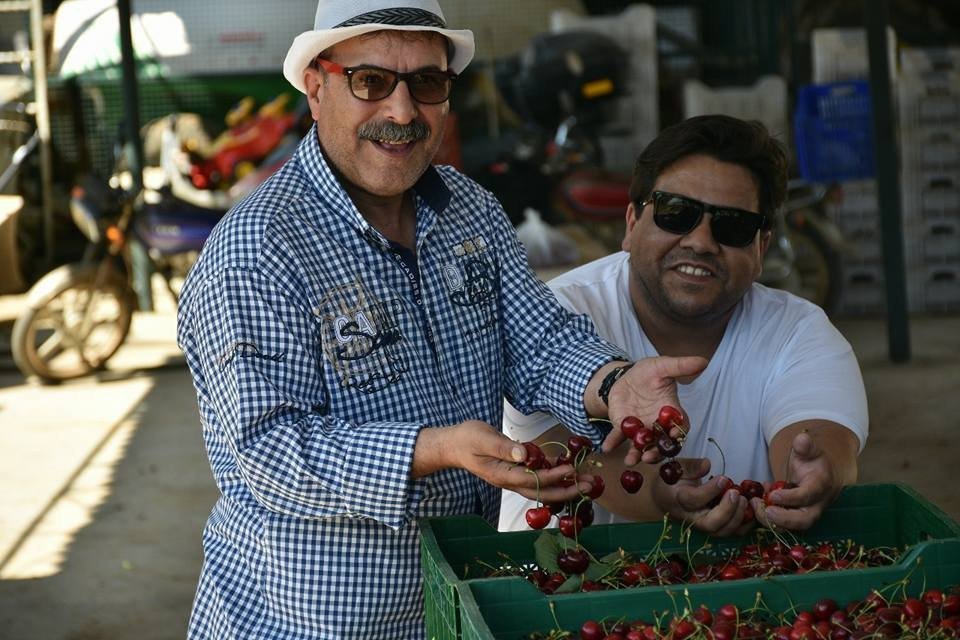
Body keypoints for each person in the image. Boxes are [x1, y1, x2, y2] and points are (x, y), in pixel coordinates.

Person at [175, 1, 705, 637]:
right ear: (317, 88)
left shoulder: (470, 211)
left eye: (425, 83)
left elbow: (539, 341)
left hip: (449, 607)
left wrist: (614, 383)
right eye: (370, 81)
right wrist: (434, 449)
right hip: (302, 624)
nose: (401, 112)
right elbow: (267, 450)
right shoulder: (259, 248)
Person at [500, 114, 868, 538]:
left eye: (733, 225)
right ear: (631, 223)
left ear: (761, 247)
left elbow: (820, 435)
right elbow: (574, 457)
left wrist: (816, 473)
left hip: (740, 594)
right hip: (556, 593)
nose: (700, 242)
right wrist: (661, 497)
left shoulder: (800, 333)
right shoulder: (553, 319)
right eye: (677, 213)